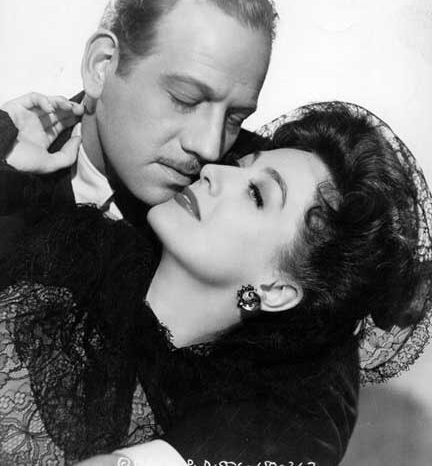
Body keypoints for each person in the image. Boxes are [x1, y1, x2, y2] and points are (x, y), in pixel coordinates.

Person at [0, 99, 431, 466]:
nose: (214, 172)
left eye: (257, 195)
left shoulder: (240, 422)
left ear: (276, 290)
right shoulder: (64, 238)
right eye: (239, 166)